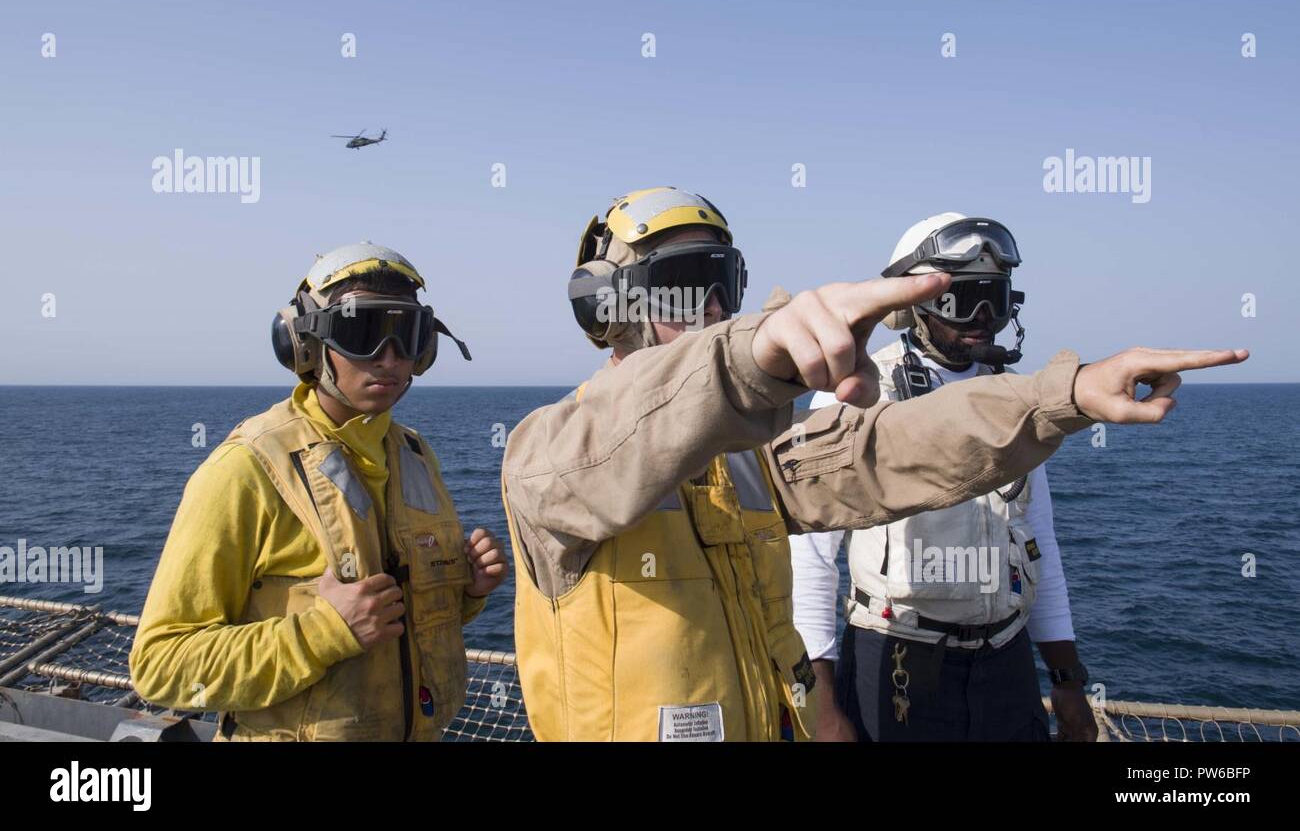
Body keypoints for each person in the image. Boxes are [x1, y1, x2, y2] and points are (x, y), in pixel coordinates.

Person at [499, 187, 1246, 741]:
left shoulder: (749, 464)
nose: (710, 311)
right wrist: (754, 353)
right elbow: (624, 437)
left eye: (722, 286)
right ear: (608, 306)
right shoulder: (549, 458)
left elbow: (894, 448)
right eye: (682, 287)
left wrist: (1065, 394)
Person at [130, 242, 507, 741]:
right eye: (362, 331)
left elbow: (399, 626)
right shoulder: (245, 469)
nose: (389, 358)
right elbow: (162, 666)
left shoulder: (412, 455)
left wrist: (467, 591)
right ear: (304, 344)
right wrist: (325, 632)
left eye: (408, 335)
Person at [791, 213, 1095, 742]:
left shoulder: (1021, 400)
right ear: (913, 306)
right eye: (961, 299)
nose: (980, 318)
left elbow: (1039, 538)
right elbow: (812, 559)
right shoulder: (858, 393)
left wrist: (1067, 679)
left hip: (1007, 660)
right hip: (895, 659)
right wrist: (822, 708)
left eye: (993, 299)